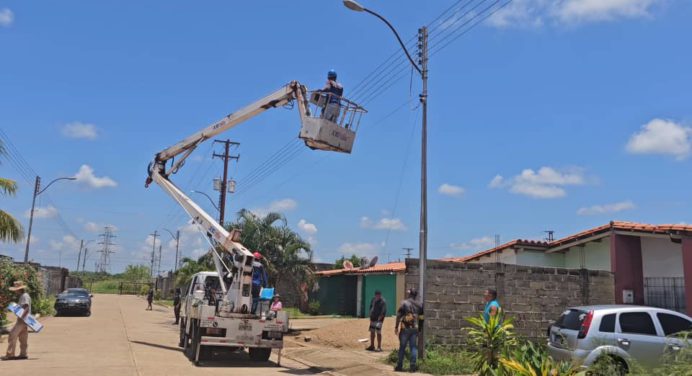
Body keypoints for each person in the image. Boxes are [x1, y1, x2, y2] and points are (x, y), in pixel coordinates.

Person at [394, 288, 424, 373]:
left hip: (405, 328)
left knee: (402, 347)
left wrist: (396, 327)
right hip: (415, 328)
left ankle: (399, 366)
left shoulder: (404, 303)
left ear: (410, 294)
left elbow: (398, 316)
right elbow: (422, 318)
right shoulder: (420, 305)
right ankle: (412, 367)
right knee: (413, 347)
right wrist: (420, 329)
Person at [2, 281, 31, 361]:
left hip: (22, 320)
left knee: (12, 335)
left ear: (19, 289)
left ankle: (10, 354)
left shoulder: (24, 296)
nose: (15, 291)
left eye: (16, 290)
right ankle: (23, 354)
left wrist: (21, 317)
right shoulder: (24, 295)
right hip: (25, 320)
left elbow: (26, 307)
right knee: (23, 337)